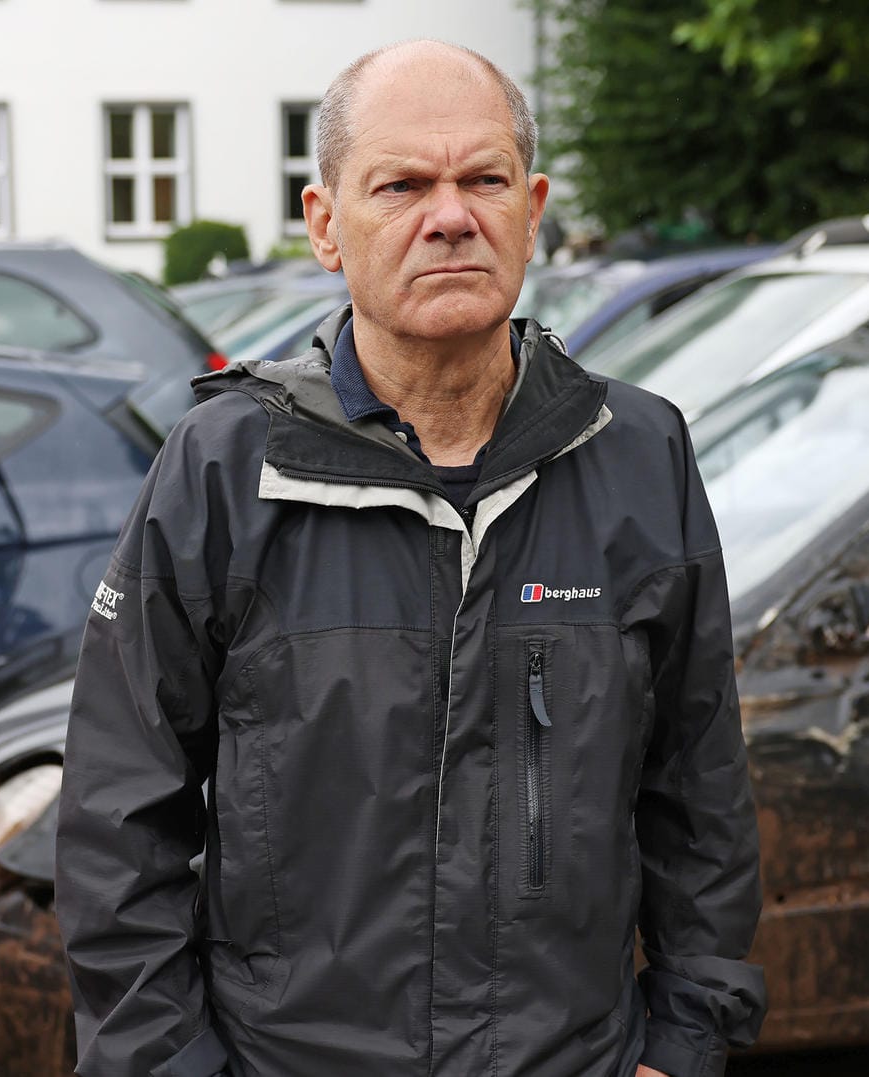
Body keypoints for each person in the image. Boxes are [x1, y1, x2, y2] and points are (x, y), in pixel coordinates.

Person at [56, 39, 766, 1077]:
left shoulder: (637, 455)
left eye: (482, 180)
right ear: (324, 225)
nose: (449, 215)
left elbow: (698, 789)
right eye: (401, 184)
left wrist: (684, 1043)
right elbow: (119, 817)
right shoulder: (225, 470)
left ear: (532, 210)